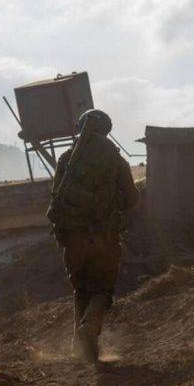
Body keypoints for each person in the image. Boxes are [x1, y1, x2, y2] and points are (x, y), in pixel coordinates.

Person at [48, 109, 139, 363]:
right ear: (106, 130)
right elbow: (132, 199)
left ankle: (83, 350)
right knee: (102, 291)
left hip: (72, 239)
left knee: (81, 291)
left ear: (80, 128)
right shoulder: (115, 160)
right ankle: (89, 329)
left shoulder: (67, 159)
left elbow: (56, 197)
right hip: (104, 239)